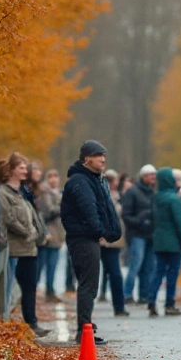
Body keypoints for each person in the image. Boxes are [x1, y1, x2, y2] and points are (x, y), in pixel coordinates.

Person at [61, 140, 122, 345]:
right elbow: (89, 210)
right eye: (98, 155)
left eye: (104, 155)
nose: (103, 159)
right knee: (88, 286)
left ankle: (85, 328)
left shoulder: (90, 179)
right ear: (86, 159)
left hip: (87, 238)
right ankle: (84, 331)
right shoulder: (80, 181)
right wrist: (101, 231)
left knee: (88, 285)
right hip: (84, 240)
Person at [0, 152, 45, 331]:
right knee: (7, 288)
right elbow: (8, 218)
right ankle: (3, 319)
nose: (26, 171)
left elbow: (32, 216)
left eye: (26, 167)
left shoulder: (23, 193)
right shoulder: (3, 193)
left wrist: (36, 232)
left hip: (29, 248)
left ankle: (31, 322)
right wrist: (27, 232)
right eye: (22, 168)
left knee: (30, 287)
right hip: (13, 249)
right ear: (11, 171)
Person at [145, 167, 181, 317]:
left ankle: (151, 299)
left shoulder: (156, 197)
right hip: (173, 242)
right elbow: (179, 223)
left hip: (159, 241)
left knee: (158, 272)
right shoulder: (174, 199)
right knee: (172, 273)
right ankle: (169, 304)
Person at [121, 164, 157, 305]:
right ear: (143, 176)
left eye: (154, 175)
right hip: (137, 235)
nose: (153, 177)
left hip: (150, 235)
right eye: (151, 175)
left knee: (148, 267)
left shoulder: (152, 193)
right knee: (135, 265)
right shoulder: (132, 192)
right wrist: (140, 221)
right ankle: (127, 294)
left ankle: (144, 295)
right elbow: (126, 215)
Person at [101, 171, 129, 318]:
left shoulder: (118, 196)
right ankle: (118, 306)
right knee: (113, 274)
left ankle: (119, 306)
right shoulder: (105, 196)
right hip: (105, 240)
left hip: (115, 240)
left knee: (114, 273)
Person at [36, 168, 65, 302]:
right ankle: (33, 290)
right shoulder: (44, 193)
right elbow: (47, 211)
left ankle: (50, 290)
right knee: (40, 265)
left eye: (56, 176)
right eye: (50, 177)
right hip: (46, 233)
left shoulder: (58, 193)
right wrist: (62, 208)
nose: (53, 179)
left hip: (58, 233)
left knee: (53, 265)